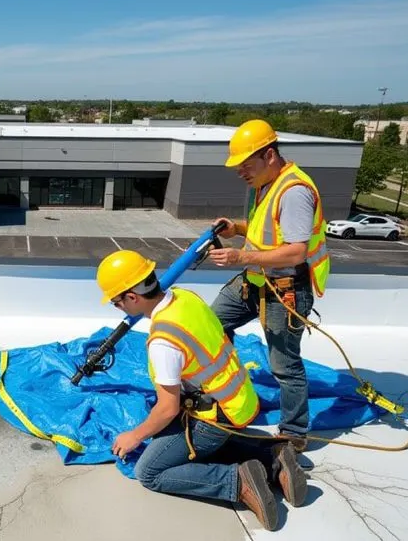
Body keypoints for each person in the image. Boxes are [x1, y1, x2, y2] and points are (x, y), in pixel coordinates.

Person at [97, 249, 308, 531]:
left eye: (115, 301)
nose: (118, 307)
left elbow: (168, 408)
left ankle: (237, 481)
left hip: (215, 416)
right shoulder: (185, 297)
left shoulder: (163, 341)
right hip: (238, 396)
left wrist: (134, 436)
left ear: (132, 297)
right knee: (179, 445)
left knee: (149, 471)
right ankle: (272, 457)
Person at [207, 119, 331, 452]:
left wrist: (239, 258)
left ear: (270, 155)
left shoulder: (294, 192)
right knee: (210, 327)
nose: (241, 173)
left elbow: (296, 251)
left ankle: (293, 433)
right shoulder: (266, 184)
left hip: (285, 289)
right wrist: (236, 227)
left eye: (246, 165)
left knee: (284, 365)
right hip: (255, 280)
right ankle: (226, 396)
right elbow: (267, 230)